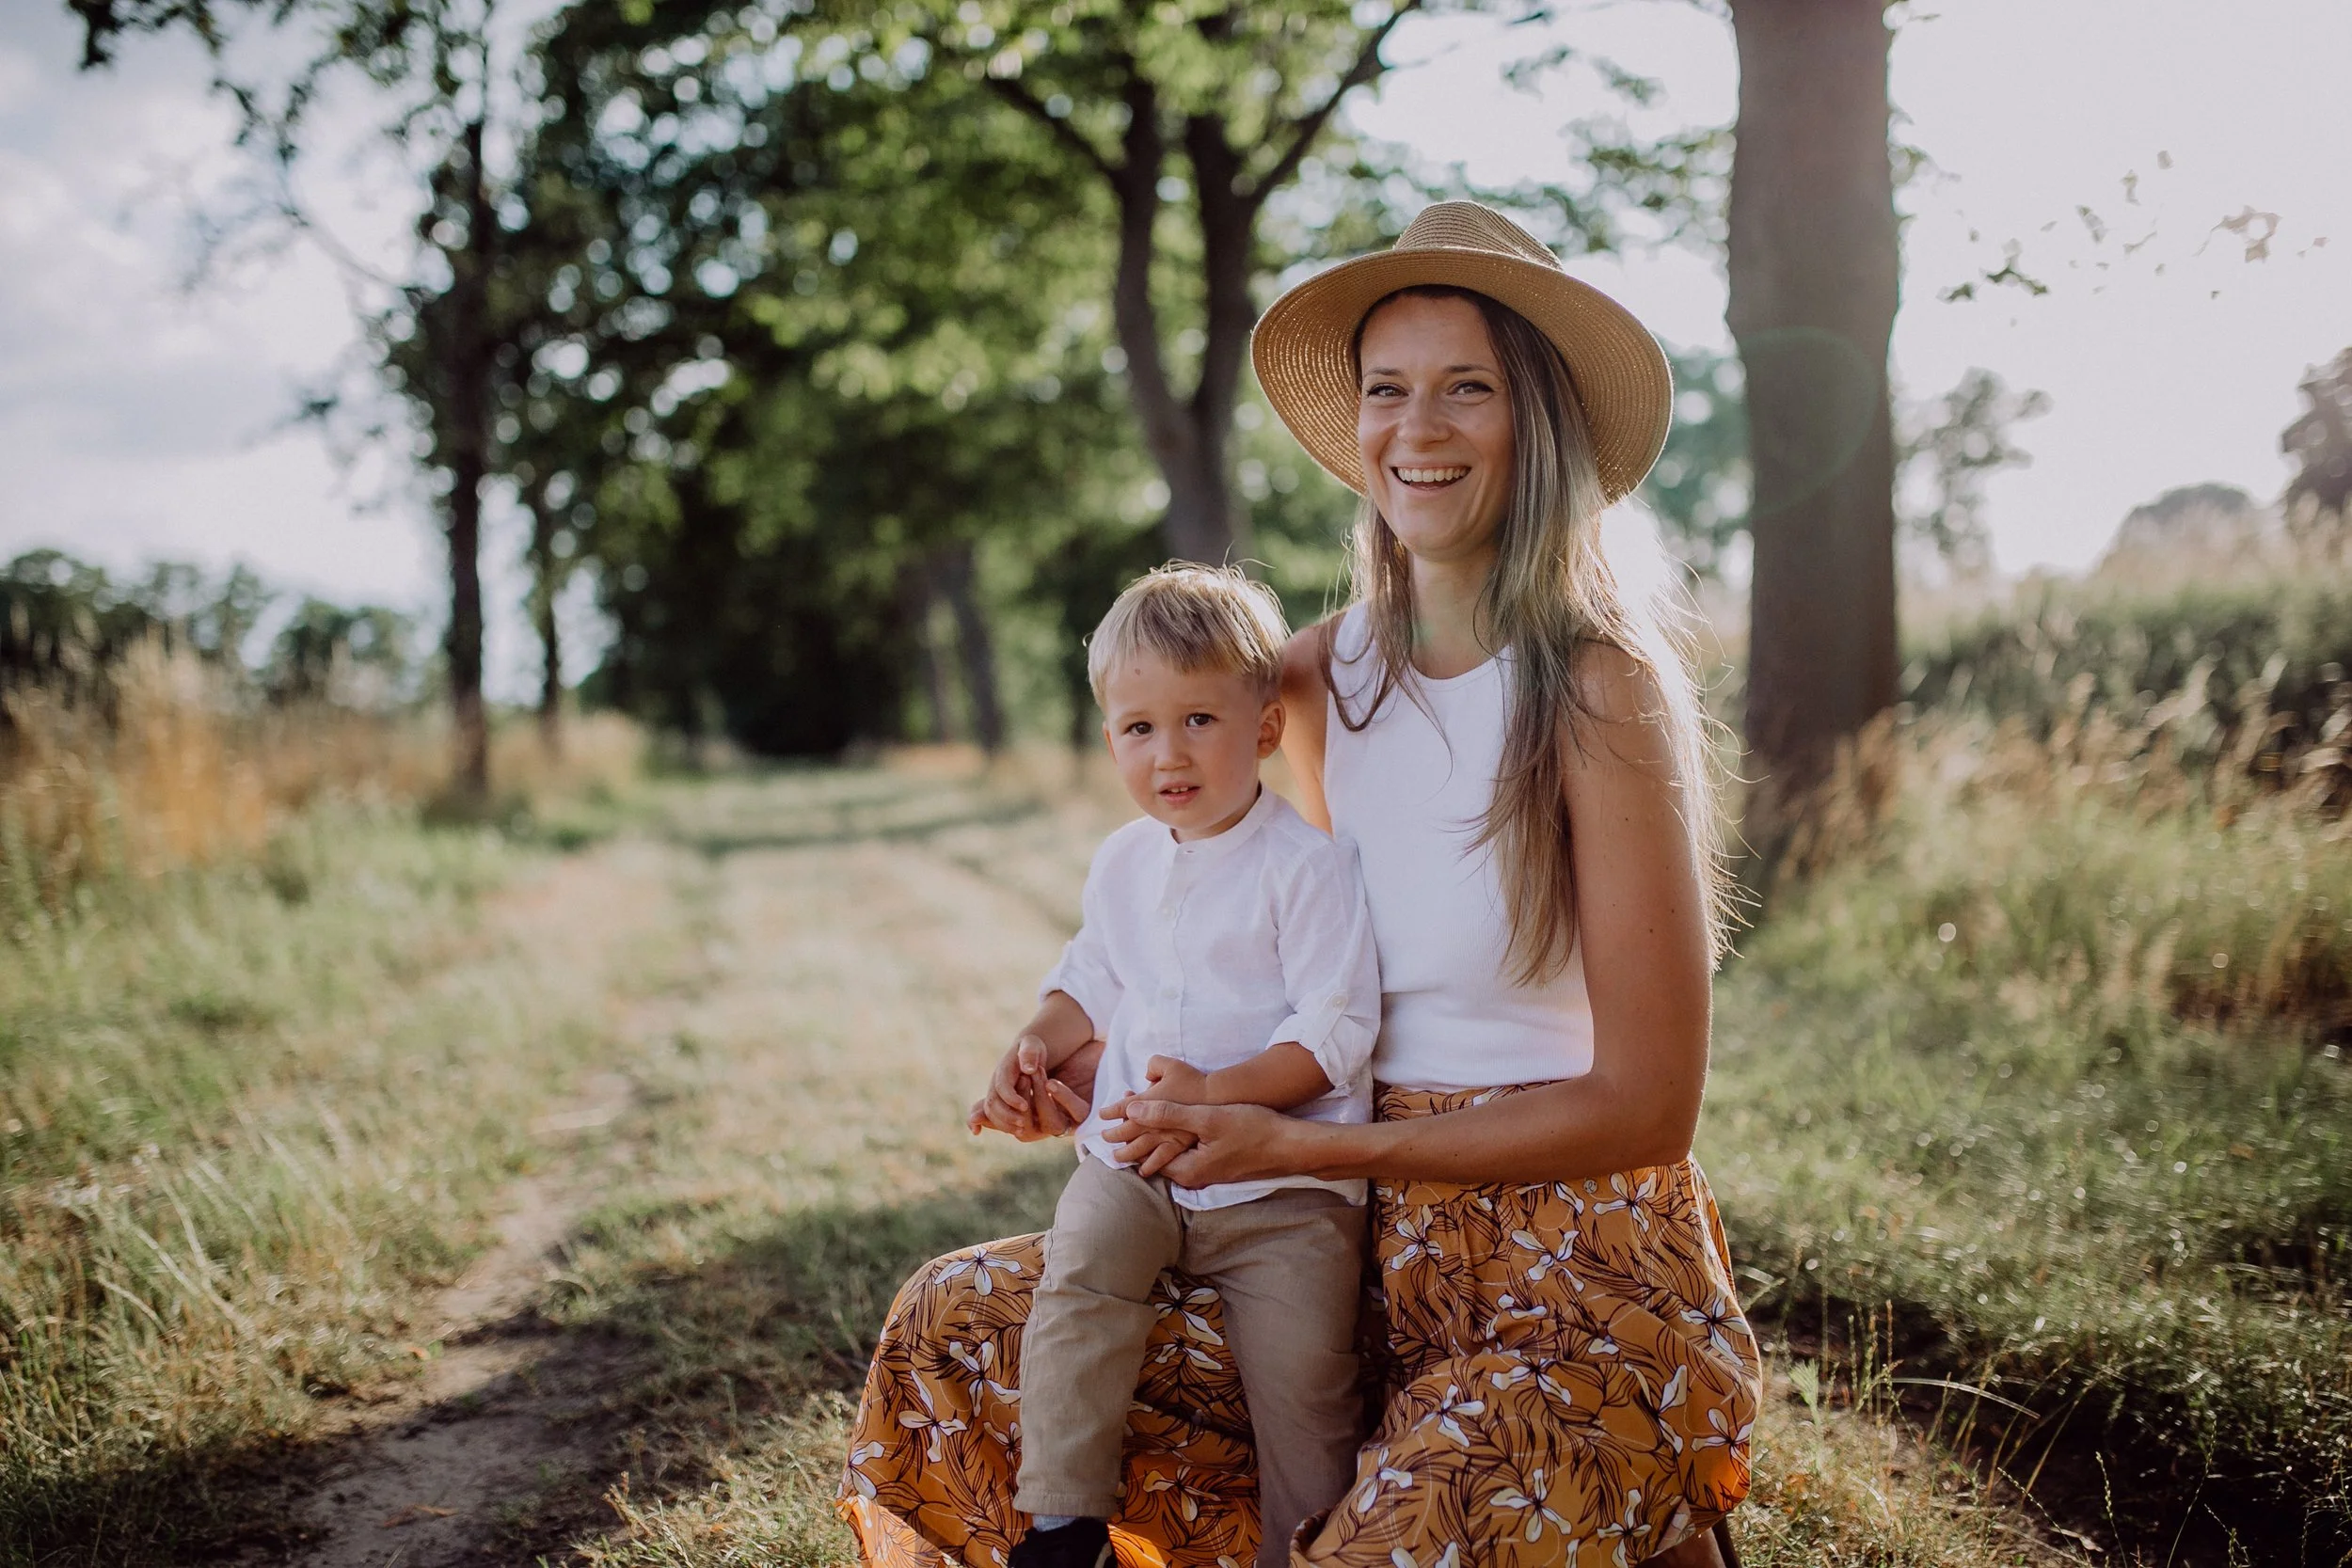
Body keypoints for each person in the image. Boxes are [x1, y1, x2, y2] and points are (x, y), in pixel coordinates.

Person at [839, 201, 1759, 1568]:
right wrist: (1126, 1072)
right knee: (956, 1325)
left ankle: (1635, 1516)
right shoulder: (1312, 681)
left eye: (1468, 389)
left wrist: (1317, 1143)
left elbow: (1648, 1101)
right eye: (1389, 390)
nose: (1417, 427)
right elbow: (1281, 942)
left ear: (1540, 420)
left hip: (1573, 1279)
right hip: (1339, 1247)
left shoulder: (1599, 686)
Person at [962, 564, 1384, 1568]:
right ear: (1110, 736)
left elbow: (1336, 1029)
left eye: (1200, 718)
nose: (1169, 753)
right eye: (1138, 727)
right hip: (1138, 1164)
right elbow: (1091, 973)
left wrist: (1216, 1090)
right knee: (1081, 1272)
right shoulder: (1123, 860)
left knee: (1304, 1384)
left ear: (1266, 727)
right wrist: (1037, 1037)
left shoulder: (1305, 867)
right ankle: (1065, 1521)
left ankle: (1303, 1547)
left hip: (1286, 1190)